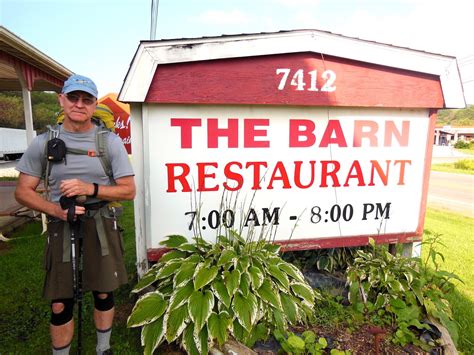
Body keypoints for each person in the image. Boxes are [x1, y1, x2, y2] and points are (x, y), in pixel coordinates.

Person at [15, 74, 135, 354]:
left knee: (104, 290)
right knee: (60, 300)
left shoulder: (110, 143)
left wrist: (90, 188)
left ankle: (103, 349)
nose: (79, 104)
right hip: (61, 222)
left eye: (86, 99)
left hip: (101, 222)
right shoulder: (43, 143)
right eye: (73, 97)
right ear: (62, 100)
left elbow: (128, 191)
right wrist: (55, 209)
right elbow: (23, 191)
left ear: (94, 105)